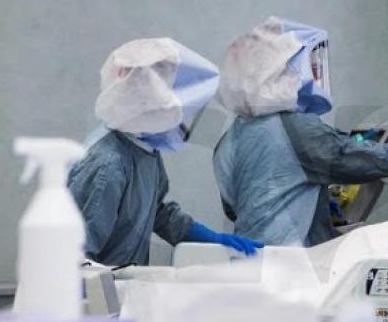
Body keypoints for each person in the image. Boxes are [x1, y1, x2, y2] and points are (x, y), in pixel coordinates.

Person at [213, 17, 388, 247]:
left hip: (247, 257)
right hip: (290, 263)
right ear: (283, 74)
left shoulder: (231, 136)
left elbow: (236, 207)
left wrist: (314, 202)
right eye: (309, 66)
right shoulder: (296, 128)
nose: (314, 74)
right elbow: (367, 159)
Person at [68, 38, 263, 267]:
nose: (181, 120)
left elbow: (157, 213)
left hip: (118, 280)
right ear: (152, 106)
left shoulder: (143, 149)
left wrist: (211, 238)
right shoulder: (107, 165)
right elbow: (73, 255)